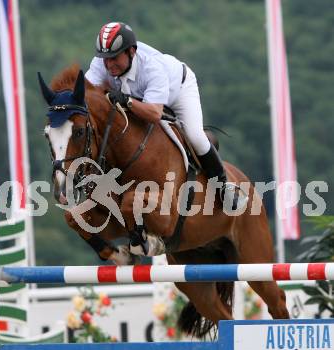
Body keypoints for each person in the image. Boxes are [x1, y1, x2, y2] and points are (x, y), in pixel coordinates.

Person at [85, 22, 247, 212]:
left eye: (114, 58)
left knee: (194, 135)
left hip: (178, 91)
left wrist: (127, 101)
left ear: (131, 52)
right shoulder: (101, 62)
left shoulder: (152, 67)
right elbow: (86, 95)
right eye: (106, 59)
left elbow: (154, 114)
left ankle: (223, 187)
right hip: (142, 98)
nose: (109, 64)